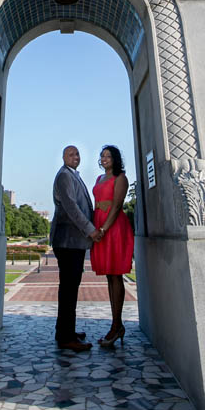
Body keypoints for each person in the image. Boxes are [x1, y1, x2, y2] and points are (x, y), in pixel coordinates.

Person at [51, 144, 103, 352]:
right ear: (63, 157)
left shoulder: (74, 175)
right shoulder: (65, 176)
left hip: (73, 242)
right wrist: (91, 230)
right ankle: (66, 337)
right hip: (68, 241)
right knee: (69, 289)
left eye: (77, 153)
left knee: (69, 288)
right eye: (71, 154)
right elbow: (72, 207)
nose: (75, 156)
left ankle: (64, 330)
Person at [90, 145, 134, 347]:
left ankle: (117, 325)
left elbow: (116, 206)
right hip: (100, 226)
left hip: (113, 228)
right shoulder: (99, 179)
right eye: (102, 156)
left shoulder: (121, 178)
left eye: (108, 156)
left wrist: (104, 229)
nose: (104, 158)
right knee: (109, 276)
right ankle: (117, 325)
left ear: (115, 159)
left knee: (116, 275)